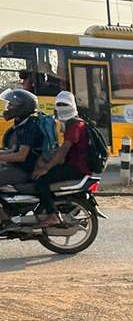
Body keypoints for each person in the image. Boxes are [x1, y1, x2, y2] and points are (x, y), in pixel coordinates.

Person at [32, 91, 90, 227]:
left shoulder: (75, 125)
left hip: (77, 168)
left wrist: (46, 168)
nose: (62, 107)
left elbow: (63, 150)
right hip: (74, 165)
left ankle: (53, 214)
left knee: (40, 180)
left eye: (64, 104)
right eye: (60, 104)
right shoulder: (74, 123)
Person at [0, 88, 43, 187]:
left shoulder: (31, 127)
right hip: (16, 166)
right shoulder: (21, 124)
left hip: (24, 170)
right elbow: (14, 150)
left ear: (21, 107)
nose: (8, 108)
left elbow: (21, 156)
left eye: (11, 105)